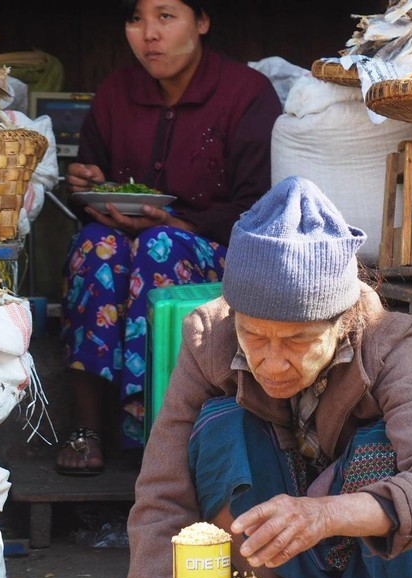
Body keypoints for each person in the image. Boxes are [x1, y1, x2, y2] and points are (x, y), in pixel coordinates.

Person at [126, 176, 412, 578]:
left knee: (379, 446)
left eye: (298, 341)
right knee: (220, 425)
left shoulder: (389, 341)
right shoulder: (210, 339)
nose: (272, 362)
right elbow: (162, 493)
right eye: (254, 336)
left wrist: (324, 514)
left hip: (378, 559)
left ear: (341, 322)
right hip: (279, 557)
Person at [57, 0, 281, 474]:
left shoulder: (246, 93)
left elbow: (259, 205)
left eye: (165, 16)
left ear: (201, 21)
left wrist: (184, 225)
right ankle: (88, 428)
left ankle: (157, 429)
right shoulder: (117, 92)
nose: (148, 34)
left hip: (211, 250)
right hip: (123, 242)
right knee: (98, 246)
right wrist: (85, 182)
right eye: (135, 20)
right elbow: (91, 186)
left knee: (161, 248)